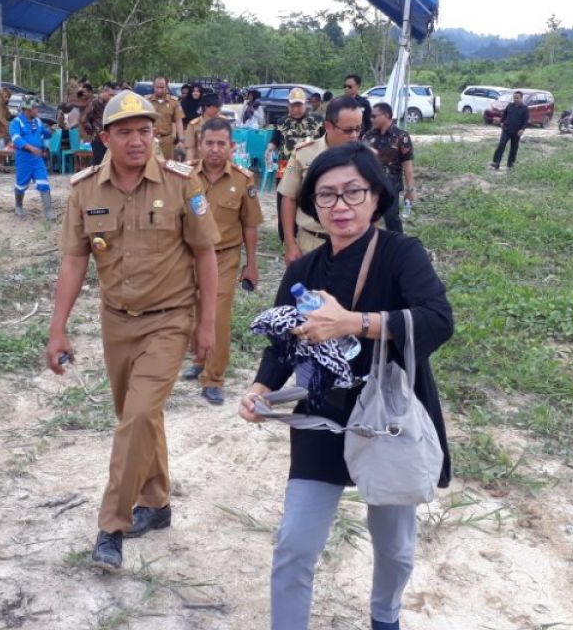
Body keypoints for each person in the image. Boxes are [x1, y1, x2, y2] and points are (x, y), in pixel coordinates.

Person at [238, 142, 453, 630]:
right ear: (313, 203)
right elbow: (281, 345)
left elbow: (438, 320)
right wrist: (258, 387)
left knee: (394, 547)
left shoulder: (402, 256)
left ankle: (385, 619)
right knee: (295, 545)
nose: (341, 206)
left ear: (376, 196)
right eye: (327, 195)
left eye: (353, 192)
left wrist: (355, 322)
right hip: (323, 418)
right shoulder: (302, 271)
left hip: (387, 420)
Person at [45, 90, 219, 571]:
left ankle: (111, 526)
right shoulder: (84, 190)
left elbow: (206, 254)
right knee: (140, 417)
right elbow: (75, 260)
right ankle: (157, 502)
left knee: (137, 417)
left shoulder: (182, 183)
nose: (138, 140)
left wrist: (207, 326)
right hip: (117, 322)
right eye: (125, 132)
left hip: (170, 318)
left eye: (145, 130)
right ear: (105, 138)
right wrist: (57, 330)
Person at [180, 117, 262, 405]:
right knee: (192, 310)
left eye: (221, 144)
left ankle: (213, 378)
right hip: (188, 255)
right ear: (200, 145)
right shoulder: (184, 176)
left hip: (223, 257)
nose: (214, 149)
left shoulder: (243, 180)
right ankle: (200, 360)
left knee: (217, 315)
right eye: (209, 143)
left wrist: (250, 264)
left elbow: (250, 225)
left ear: (231, 147)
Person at [279, 97, 364, 262]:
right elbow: (288, 197)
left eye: (358, 129)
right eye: (347, 130)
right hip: (311, 243)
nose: (354, 135)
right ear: (328, 126)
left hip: (352, 244)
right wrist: (290, 244)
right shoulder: (302, 154)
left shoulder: (366, 158)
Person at [268, 89, 323, 241]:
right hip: (285, 165)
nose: (296, 109)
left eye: (299, 105)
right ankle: (286, 237)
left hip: (311, 166)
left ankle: (309, 233)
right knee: (284, 200)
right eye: (292, 105)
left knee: (309, 199)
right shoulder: (281, 122)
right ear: (288, 106)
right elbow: (275, 140)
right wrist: (269, 148)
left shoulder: (318, 120)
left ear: (305, 104)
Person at [363, 102, 416, 232]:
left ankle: (398, 247)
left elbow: (407, 165)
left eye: (374, 116)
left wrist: (410, 189)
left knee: (391, 218)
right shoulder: (368, 136)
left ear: (386, 115)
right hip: (370, 186)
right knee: (369, 219)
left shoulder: (401, 136)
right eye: (371, 116)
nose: (371, 119)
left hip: (391, 186)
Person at [9, 96, 54, 219]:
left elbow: (46, 133)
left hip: (37, 159)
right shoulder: (16, 122)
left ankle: (48, 211)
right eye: (35, 108)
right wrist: (30, 148)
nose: (37, 111)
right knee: (21, 184)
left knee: (43, 182)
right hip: (23, 160)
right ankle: (18, 206)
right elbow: (16, 139)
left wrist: (52, 129)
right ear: (28, 110)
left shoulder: (38, 121)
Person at [148, 75, 185, 161]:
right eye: (157, 87)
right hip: (150, 140)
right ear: (153, 86)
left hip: (167, 140)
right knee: (151, 166)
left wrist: (181, 140)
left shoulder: (174, 102)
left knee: (167, 167)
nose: (159, 90)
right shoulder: (147, 101)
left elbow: (179, 121)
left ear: (167, 86)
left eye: (162, 87)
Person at [490, 90, 528, 170]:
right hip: (506, 129)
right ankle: (496, 162)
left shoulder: (525, 109)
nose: (515, 99)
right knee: (501, 145)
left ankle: (510, 164)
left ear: (521, 98)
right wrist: (501, 122)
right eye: (514, 98)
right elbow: (504, 115)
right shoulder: (510, 105)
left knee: (514, 148)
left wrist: (522, 129)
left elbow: (525, 121)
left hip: (516, 132)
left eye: (517, 98)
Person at [184, 92, 222, 160]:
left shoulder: (224, 122)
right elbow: (190, 148)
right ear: (206, 107)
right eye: (216, 107)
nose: (219, 110)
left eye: (219, 107)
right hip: (200, 163)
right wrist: (189, 167)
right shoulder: (194, 125)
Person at [81, 84, 113, 164]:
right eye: (109, 94)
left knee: (108, 161)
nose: (110, 96)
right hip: (97, 137)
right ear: (103, 92)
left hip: (109, 137)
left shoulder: (110, 103)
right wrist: (91, 132)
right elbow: (84, 119)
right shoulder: (94, 104)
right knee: (98, 161)